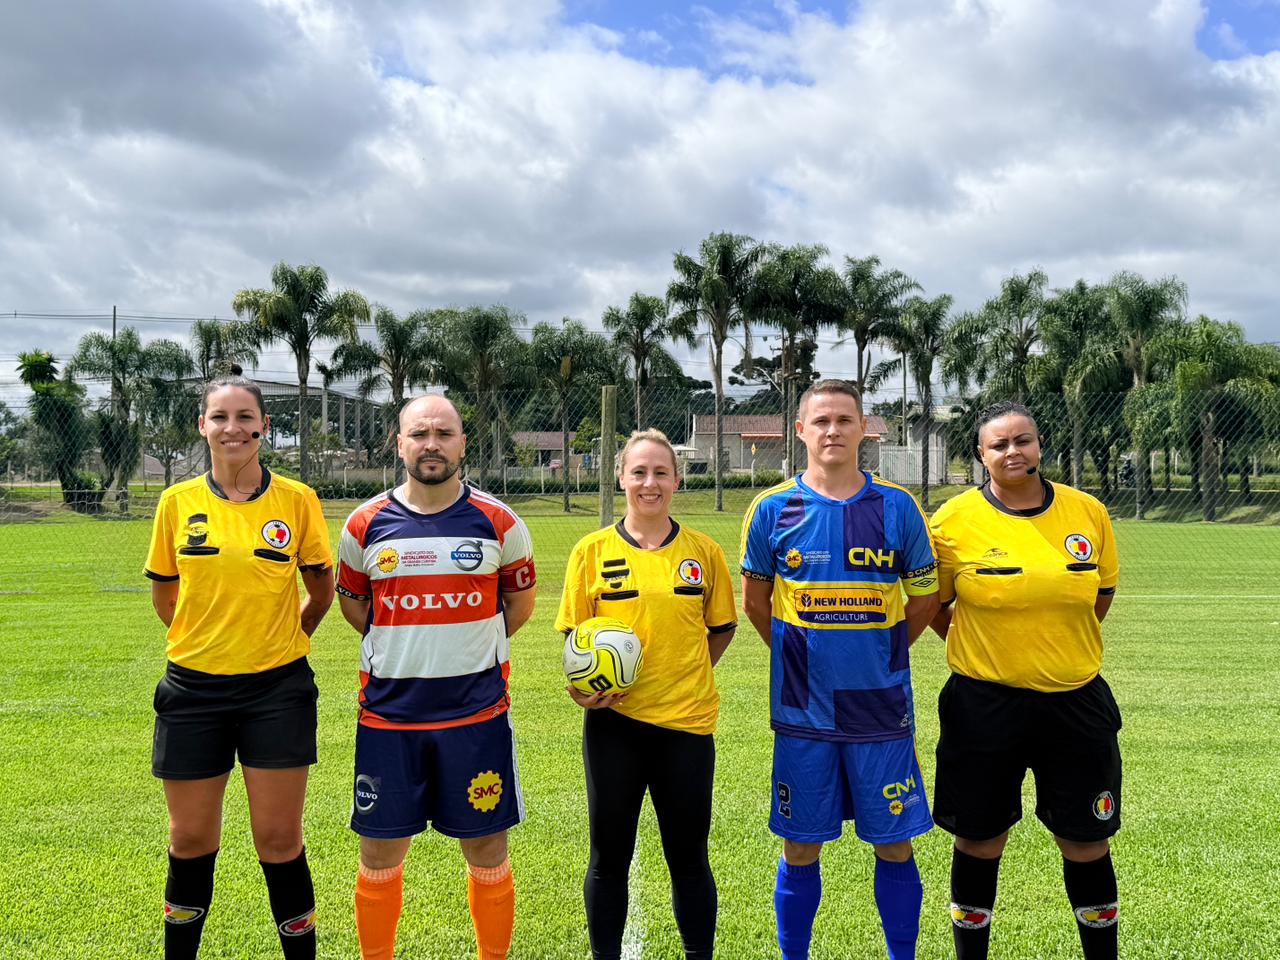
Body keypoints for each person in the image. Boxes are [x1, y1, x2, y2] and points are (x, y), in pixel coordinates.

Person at [740, 379, 940, 960]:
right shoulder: (772, 509)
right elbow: (755, 604)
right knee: (800, 846)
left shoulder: (897, 508)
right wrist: (797, 655)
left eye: (844, 420)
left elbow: (925, 598)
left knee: (895, 843)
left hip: (880, 707)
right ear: (800, 430)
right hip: (803, 710)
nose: (833, 430)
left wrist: (884, 649)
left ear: (863, 429)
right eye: (821, 421)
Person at [336, 395, 536, 960]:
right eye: (419, 434)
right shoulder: (364, 524)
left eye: (444, 434)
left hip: (476, 716)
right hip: (389, 717)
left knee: (487, 850)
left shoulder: (500, 522)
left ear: (462, 444)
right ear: (399, 443)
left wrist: (465, 648)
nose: (431, 444)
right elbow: (356, 607)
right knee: (379, 854)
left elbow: (517, 606)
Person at [144, 368, 334, 960]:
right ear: (202, 426)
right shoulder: (176, 503)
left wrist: (280, 637)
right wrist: (208, 643)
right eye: (220, 417)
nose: (233, 427)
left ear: (264, 426)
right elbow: (166, 597)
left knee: (279, 840)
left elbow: (320, 590)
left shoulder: (297, 500)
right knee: (189, 838)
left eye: (245, 417)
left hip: (277, 693)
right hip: (192, 692)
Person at [929, 401, 1122, 960]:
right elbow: (935, 605)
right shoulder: (952, 521)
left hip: (1075, 702)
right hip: (983, 706)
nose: (1013, 451)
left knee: (1085, 840)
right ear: (981, 454)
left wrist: (1053, 645)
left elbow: (1100, 596)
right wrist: (989, 648)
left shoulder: (1087, 512)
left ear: (1040, 445)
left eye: (1023, 440)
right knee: (978, 838)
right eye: (999, 444)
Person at [555, 428, 737, 960]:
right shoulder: (591, 552)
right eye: (638, 472)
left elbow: (721, 628)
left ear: (677, 480)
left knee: (689, 859)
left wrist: (685, 672)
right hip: (614, 727)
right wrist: (584, 688)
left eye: (661, 472)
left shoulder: (703, 552)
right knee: (608, 858)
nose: (649, 483)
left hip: (687, 727)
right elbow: (576, 638)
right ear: (620, 478)